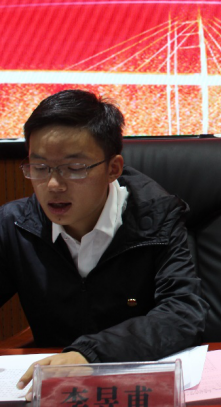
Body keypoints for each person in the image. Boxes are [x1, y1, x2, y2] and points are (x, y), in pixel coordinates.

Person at [0, 90, 209, 394]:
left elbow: (182, 312)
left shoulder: (158, 218)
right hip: (52, 394)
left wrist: (89, 355)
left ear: (113, 169)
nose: (53, 185)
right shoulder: (15, 225)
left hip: (138, 386)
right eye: (40, 168)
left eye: (74, 168)